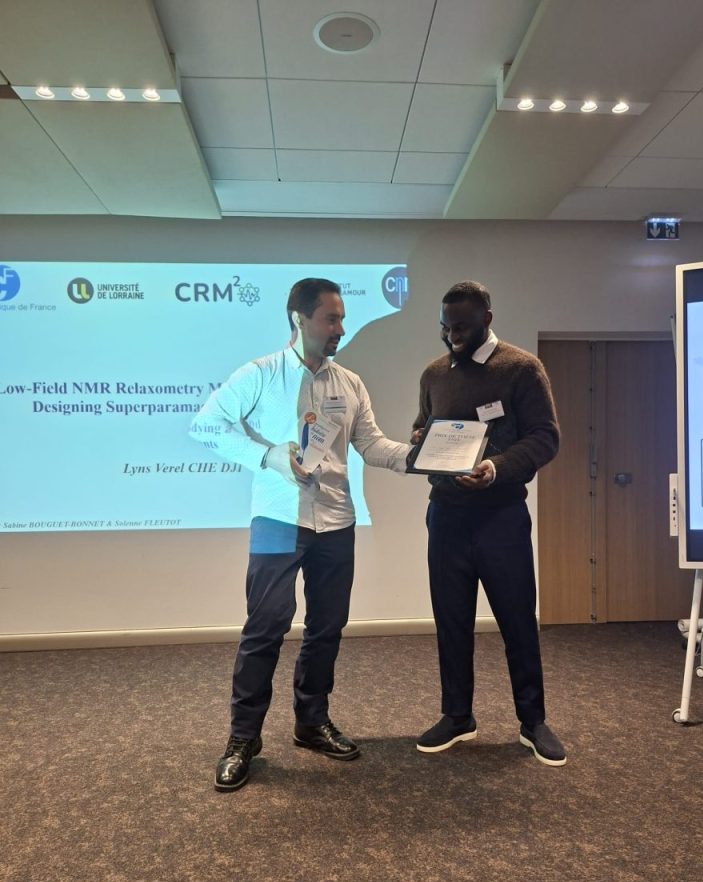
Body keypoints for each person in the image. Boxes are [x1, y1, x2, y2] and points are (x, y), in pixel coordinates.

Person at [190, 278, 409, 791]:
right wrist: (268, 456)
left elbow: (372, 445)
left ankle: (311, 722)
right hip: (276, 518)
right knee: (265, 626)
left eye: (342, 319)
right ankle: (243, 737)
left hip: (336, 520)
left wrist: (422, 457)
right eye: (331, 318)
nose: (340, 329)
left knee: (327, 627)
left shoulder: (350, 383)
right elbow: (207, 425)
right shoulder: (260, 374)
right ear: (299, 319)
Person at [411, 280, 566, 766]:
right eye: (445, 326)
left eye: (461, 327)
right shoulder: (434, 373)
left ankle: (533, 721)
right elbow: (424, 427)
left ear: (487, 320)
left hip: (500, 517)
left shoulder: (521, 368)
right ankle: (457, 716)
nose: (452, 335)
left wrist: (496, 468)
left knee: (517, 621)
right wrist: (419, 441)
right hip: (446, 517)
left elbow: (545, 437)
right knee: (451, 620)